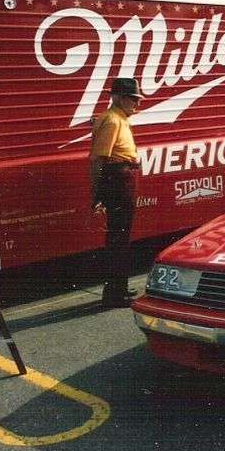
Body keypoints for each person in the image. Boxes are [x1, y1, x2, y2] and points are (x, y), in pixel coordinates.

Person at [90, 77, 143, 308]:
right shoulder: (112, 121)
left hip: (123, 177)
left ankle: (118, 287)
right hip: (118, 180)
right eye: (133, 99)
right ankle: (114, 295)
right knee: (119, 238)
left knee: (121, 237)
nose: (137, 104)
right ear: (120, 98)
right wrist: (97, 193)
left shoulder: (118, 118)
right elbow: (97, 159)